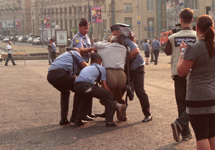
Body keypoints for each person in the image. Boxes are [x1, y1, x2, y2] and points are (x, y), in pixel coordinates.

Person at [177, 15, 215, 150]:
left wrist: (182, 53)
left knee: (201, 135)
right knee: (212, 134)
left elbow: (181, 72)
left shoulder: (195, 48)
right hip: (213, 95)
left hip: (197, 96)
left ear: (197, 28)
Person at [164, 8, 197, 142]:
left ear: (180, 20)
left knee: (181, 103)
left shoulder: (172, 37)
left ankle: (184, 132)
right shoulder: (197, 36)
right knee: (194, 103)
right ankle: (183, 127)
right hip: (194, 73)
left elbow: (167, 52)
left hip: (178, 73)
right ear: (192, 20)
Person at [111, 24, 152, 122]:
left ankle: (148, 114)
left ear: (120, 33)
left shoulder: (126, 40)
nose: (114, 34)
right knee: (119, 90)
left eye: (116, 32)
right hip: (127, 69)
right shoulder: (115, 41)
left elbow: (136, 51)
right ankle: (115, 113)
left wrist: (124, 59)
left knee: (139, 90)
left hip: (137, 67)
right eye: (113, 33)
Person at [72, 53, 126, 127]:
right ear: (99, 61)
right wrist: (111, 94)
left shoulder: (86, 68)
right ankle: (109, 121)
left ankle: (77, 119)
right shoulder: (101, 68)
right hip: (86, 85)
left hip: (76, 86)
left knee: (85, 97)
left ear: (91, 62)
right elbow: (104, 85)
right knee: (108, 95)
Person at [47, 47, 88, 125]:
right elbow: (84, 65)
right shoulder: (75, 53)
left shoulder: (63, 56)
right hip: (61, 74)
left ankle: (64, 119)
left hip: (51, 76)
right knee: (80, 90)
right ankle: (76, 118)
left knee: (65, 92)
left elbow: (72, 76)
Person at [94, 36, 127, 121]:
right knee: (119, 96)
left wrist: (105, 42)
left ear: (111, 42)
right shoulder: (124, 48)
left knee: (105, 97)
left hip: (110, 73)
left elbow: (96, 44)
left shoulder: (106, 46)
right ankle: (122, 115)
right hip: (121, 75)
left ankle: (118, 107)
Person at [71, 18, 96, 119]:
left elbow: (89, 51)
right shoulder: (77, 38)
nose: (86, 30)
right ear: (79, 27)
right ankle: (78, 114)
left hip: (86, 66)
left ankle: (87, 112)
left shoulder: (86, 37)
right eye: (84, 28)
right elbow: (80, 50)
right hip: (79, 67)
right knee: (81, 91)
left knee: (89, 89)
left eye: (87, 28)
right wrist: (91, 49)